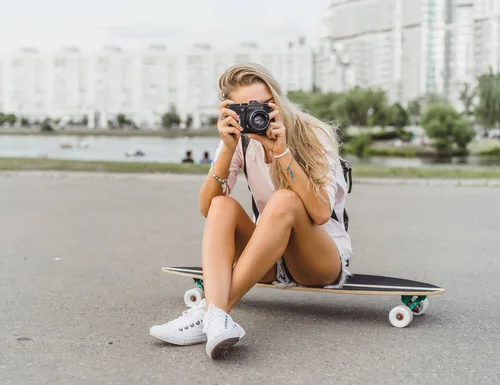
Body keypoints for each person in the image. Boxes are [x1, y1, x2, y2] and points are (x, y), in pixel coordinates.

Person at [150, 63, 352, 359]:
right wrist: (229, 148)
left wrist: (282, 152)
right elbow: (208, 208)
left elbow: (321, 213)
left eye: (264, 105)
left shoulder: (313, 133)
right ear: (231, 111)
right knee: (222, 204)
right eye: (245, 109)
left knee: (284, 200)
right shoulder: (239, 140)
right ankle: (217, 321)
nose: (257, 115)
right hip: (266, 256)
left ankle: (209, 312)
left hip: (319, 260)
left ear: (277, 98)